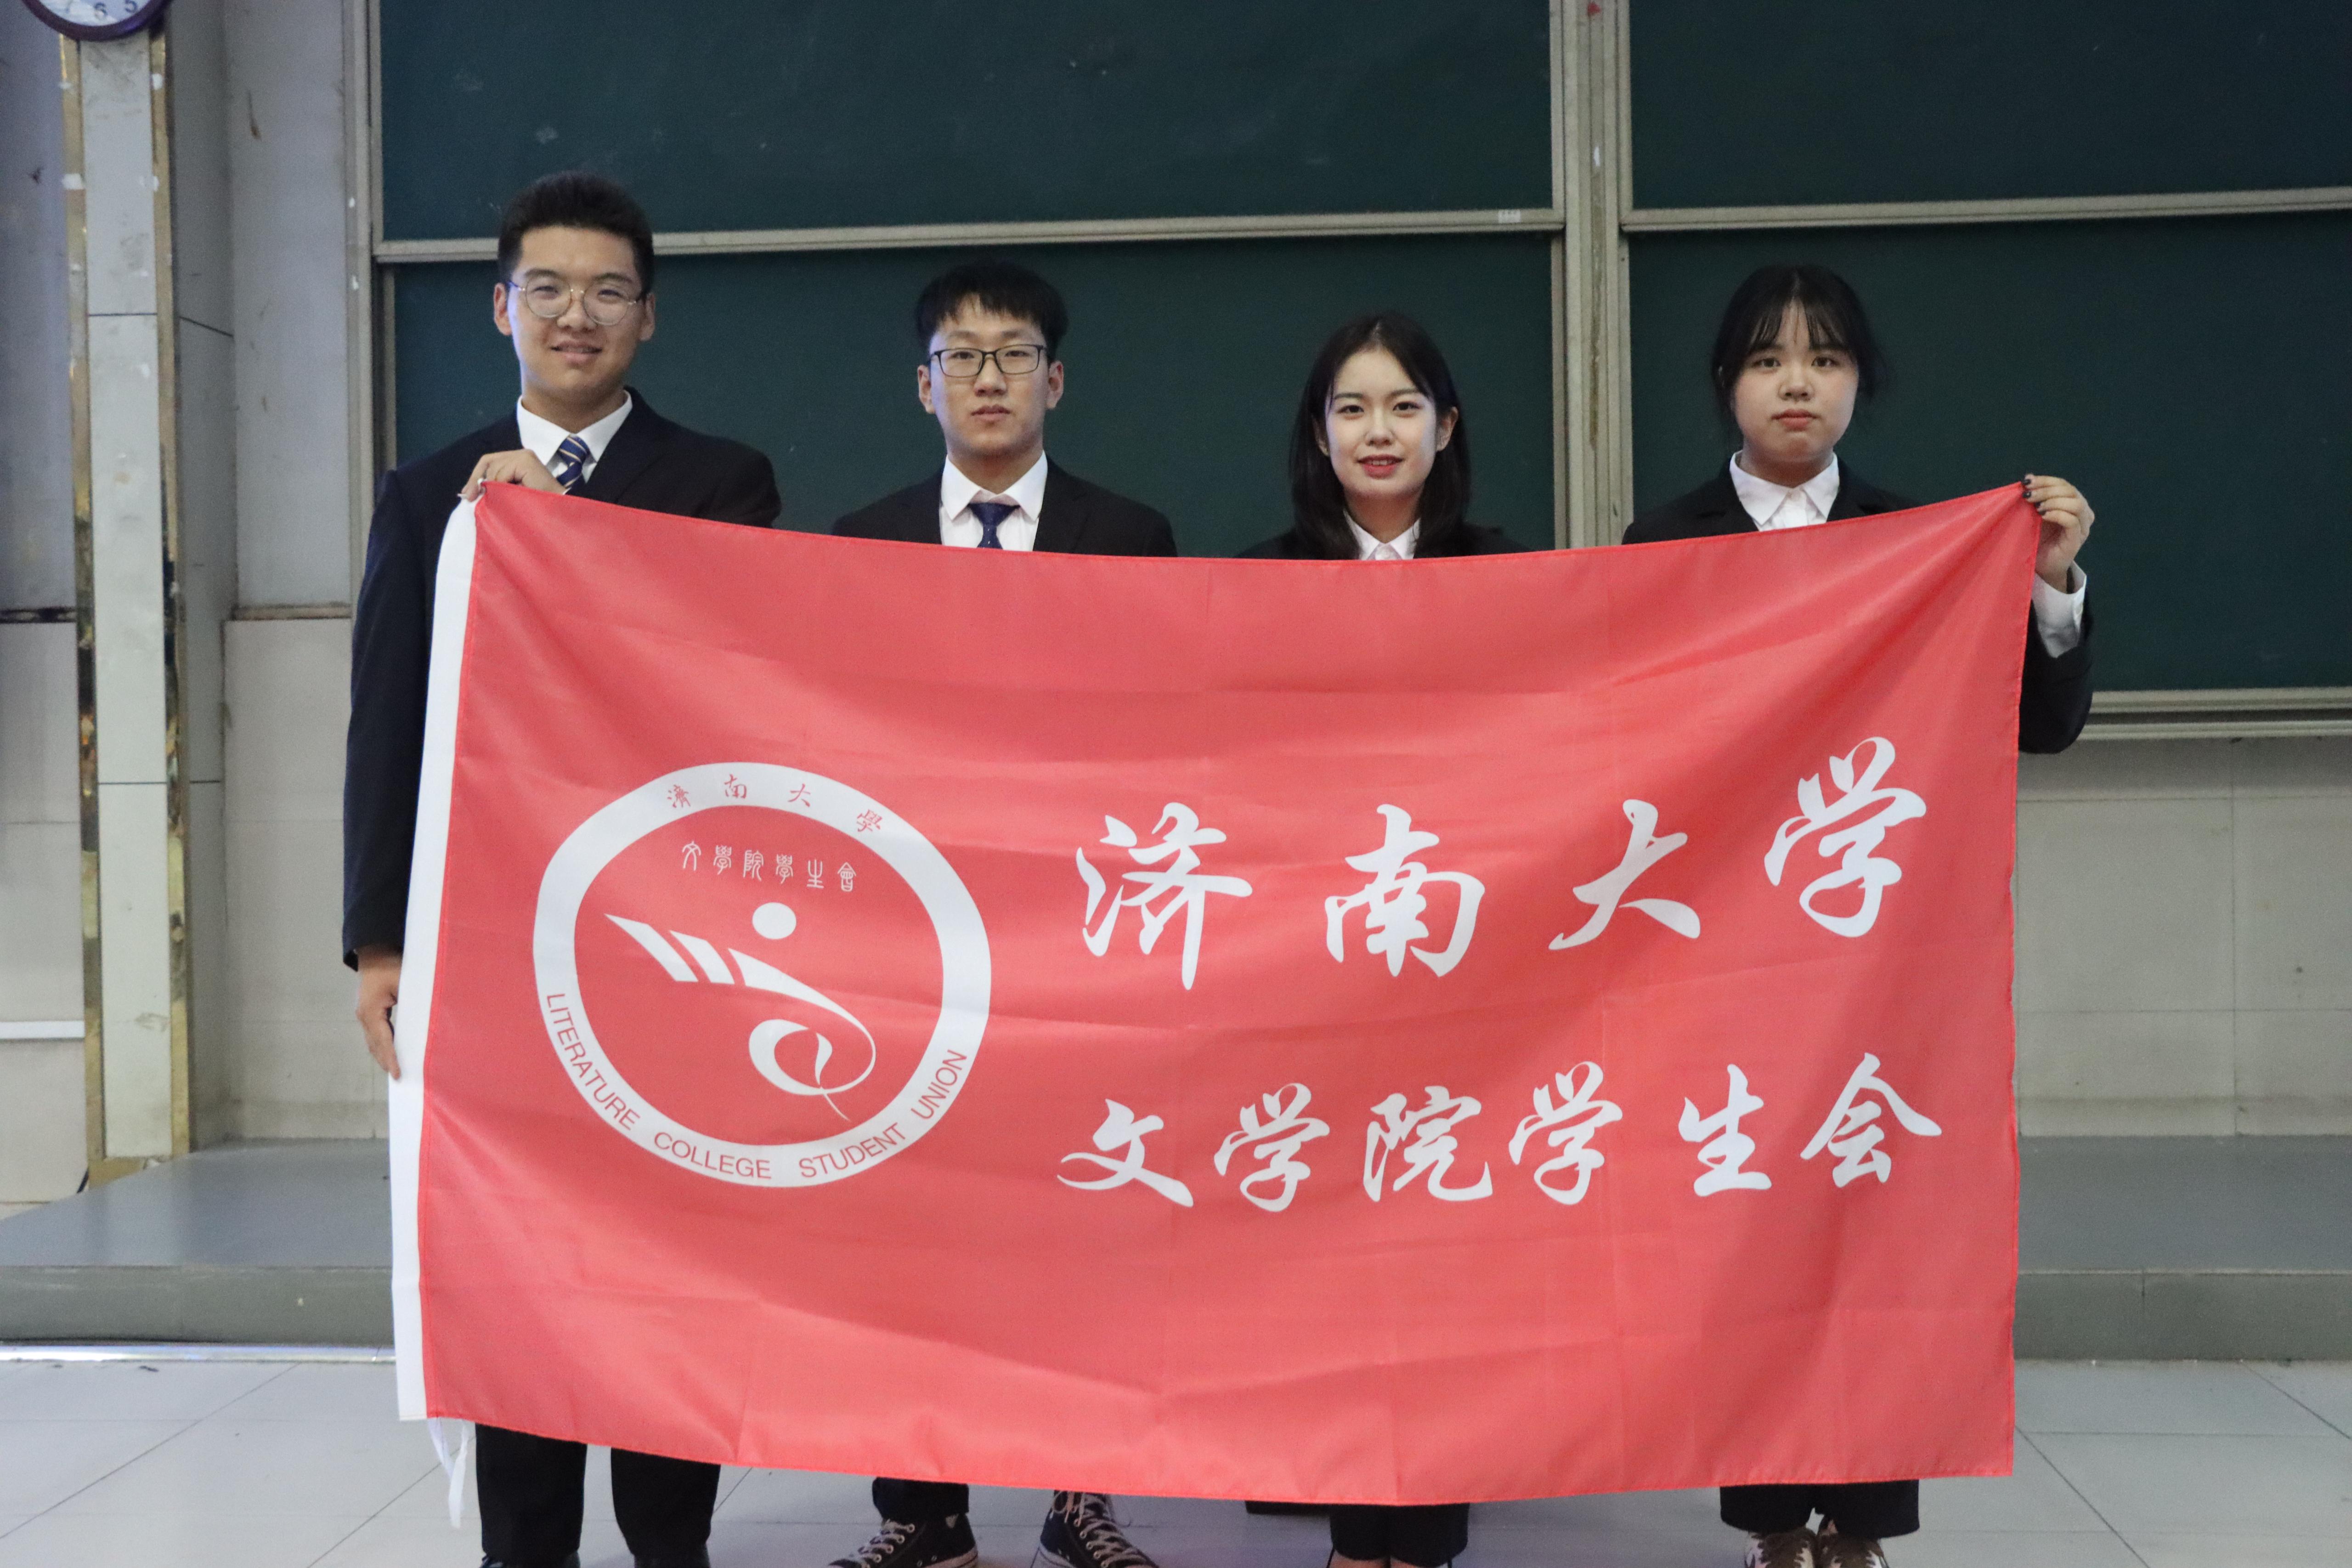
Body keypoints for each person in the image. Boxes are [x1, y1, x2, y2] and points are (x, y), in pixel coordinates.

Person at [1628, 263, 2095, 1568]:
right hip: (1724, 958)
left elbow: (2042, 728)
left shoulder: (1925, 539)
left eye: (1825, 360)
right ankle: (1775, 1522)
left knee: (1871, 1208)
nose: (1797, 383)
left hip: (1879, 952)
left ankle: (1866, 1525)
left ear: (1859, 384)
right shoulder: (1659, 546)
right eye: (1769, 359)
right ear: (1727, 383)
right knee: (1748, 1218)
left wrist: (2049, 582)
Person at [345, 170, 779, 1568]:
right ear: (501, 309)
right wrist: (379, 943)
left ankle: (671, 1540)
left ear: (649, 317)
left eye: (606, 291)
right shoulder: (428, 492)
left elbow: (727, 680)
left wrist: (560, 535)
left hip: (675, 944)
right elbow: (389, 721)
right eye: (548, 288)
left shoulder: (725, 482)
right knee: (519, 1256)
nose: (575, 315)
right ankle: (523, 1547)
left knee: (668, 1257)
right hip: (492, 950)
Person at [823, 258, 1173, 1568]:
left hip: (1078, 937)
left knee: (1080, 1216)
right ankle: (924, 1515)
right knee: (917, 1232)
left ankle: (1082, 1498)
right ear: (922, 386)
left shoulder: (1133, 537)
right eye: (960, 357)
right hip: (914, 944)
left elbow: (1164, 738)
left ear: (1055, 382)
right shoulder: (858, 544)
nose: (987, 379)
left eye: (1013, 355)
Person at [1241, 311, 1526, 1568]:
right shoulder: (1253, 584)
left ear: (1445, 427)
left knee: (1443, 1257)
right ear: (1318, 433)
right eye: (1352, 408)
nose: (1378, 431)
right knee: (1333, 1257)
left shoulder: (1513, 579)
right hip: (1308, 971)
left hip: (1466, 968)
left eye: (1404, 406)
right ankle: (1355, 1530)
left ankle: (1425, 1532)